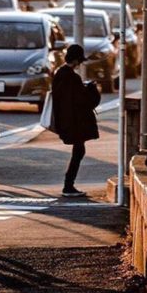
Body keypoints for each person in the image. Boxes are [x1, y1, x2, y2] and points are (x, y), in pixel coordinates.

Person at [50, 44, 99, 197]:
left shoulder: (59, 74)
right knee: (79, 151)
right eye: (79, 61)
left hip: (64, 120)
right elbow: (85, 101)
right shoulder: (72, 77)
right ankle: (68, 185)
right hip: (75, 122)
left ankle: (69, 184)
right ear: (76, 60)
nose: (80, 64)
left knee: (79, 150)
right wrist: (92, 89)